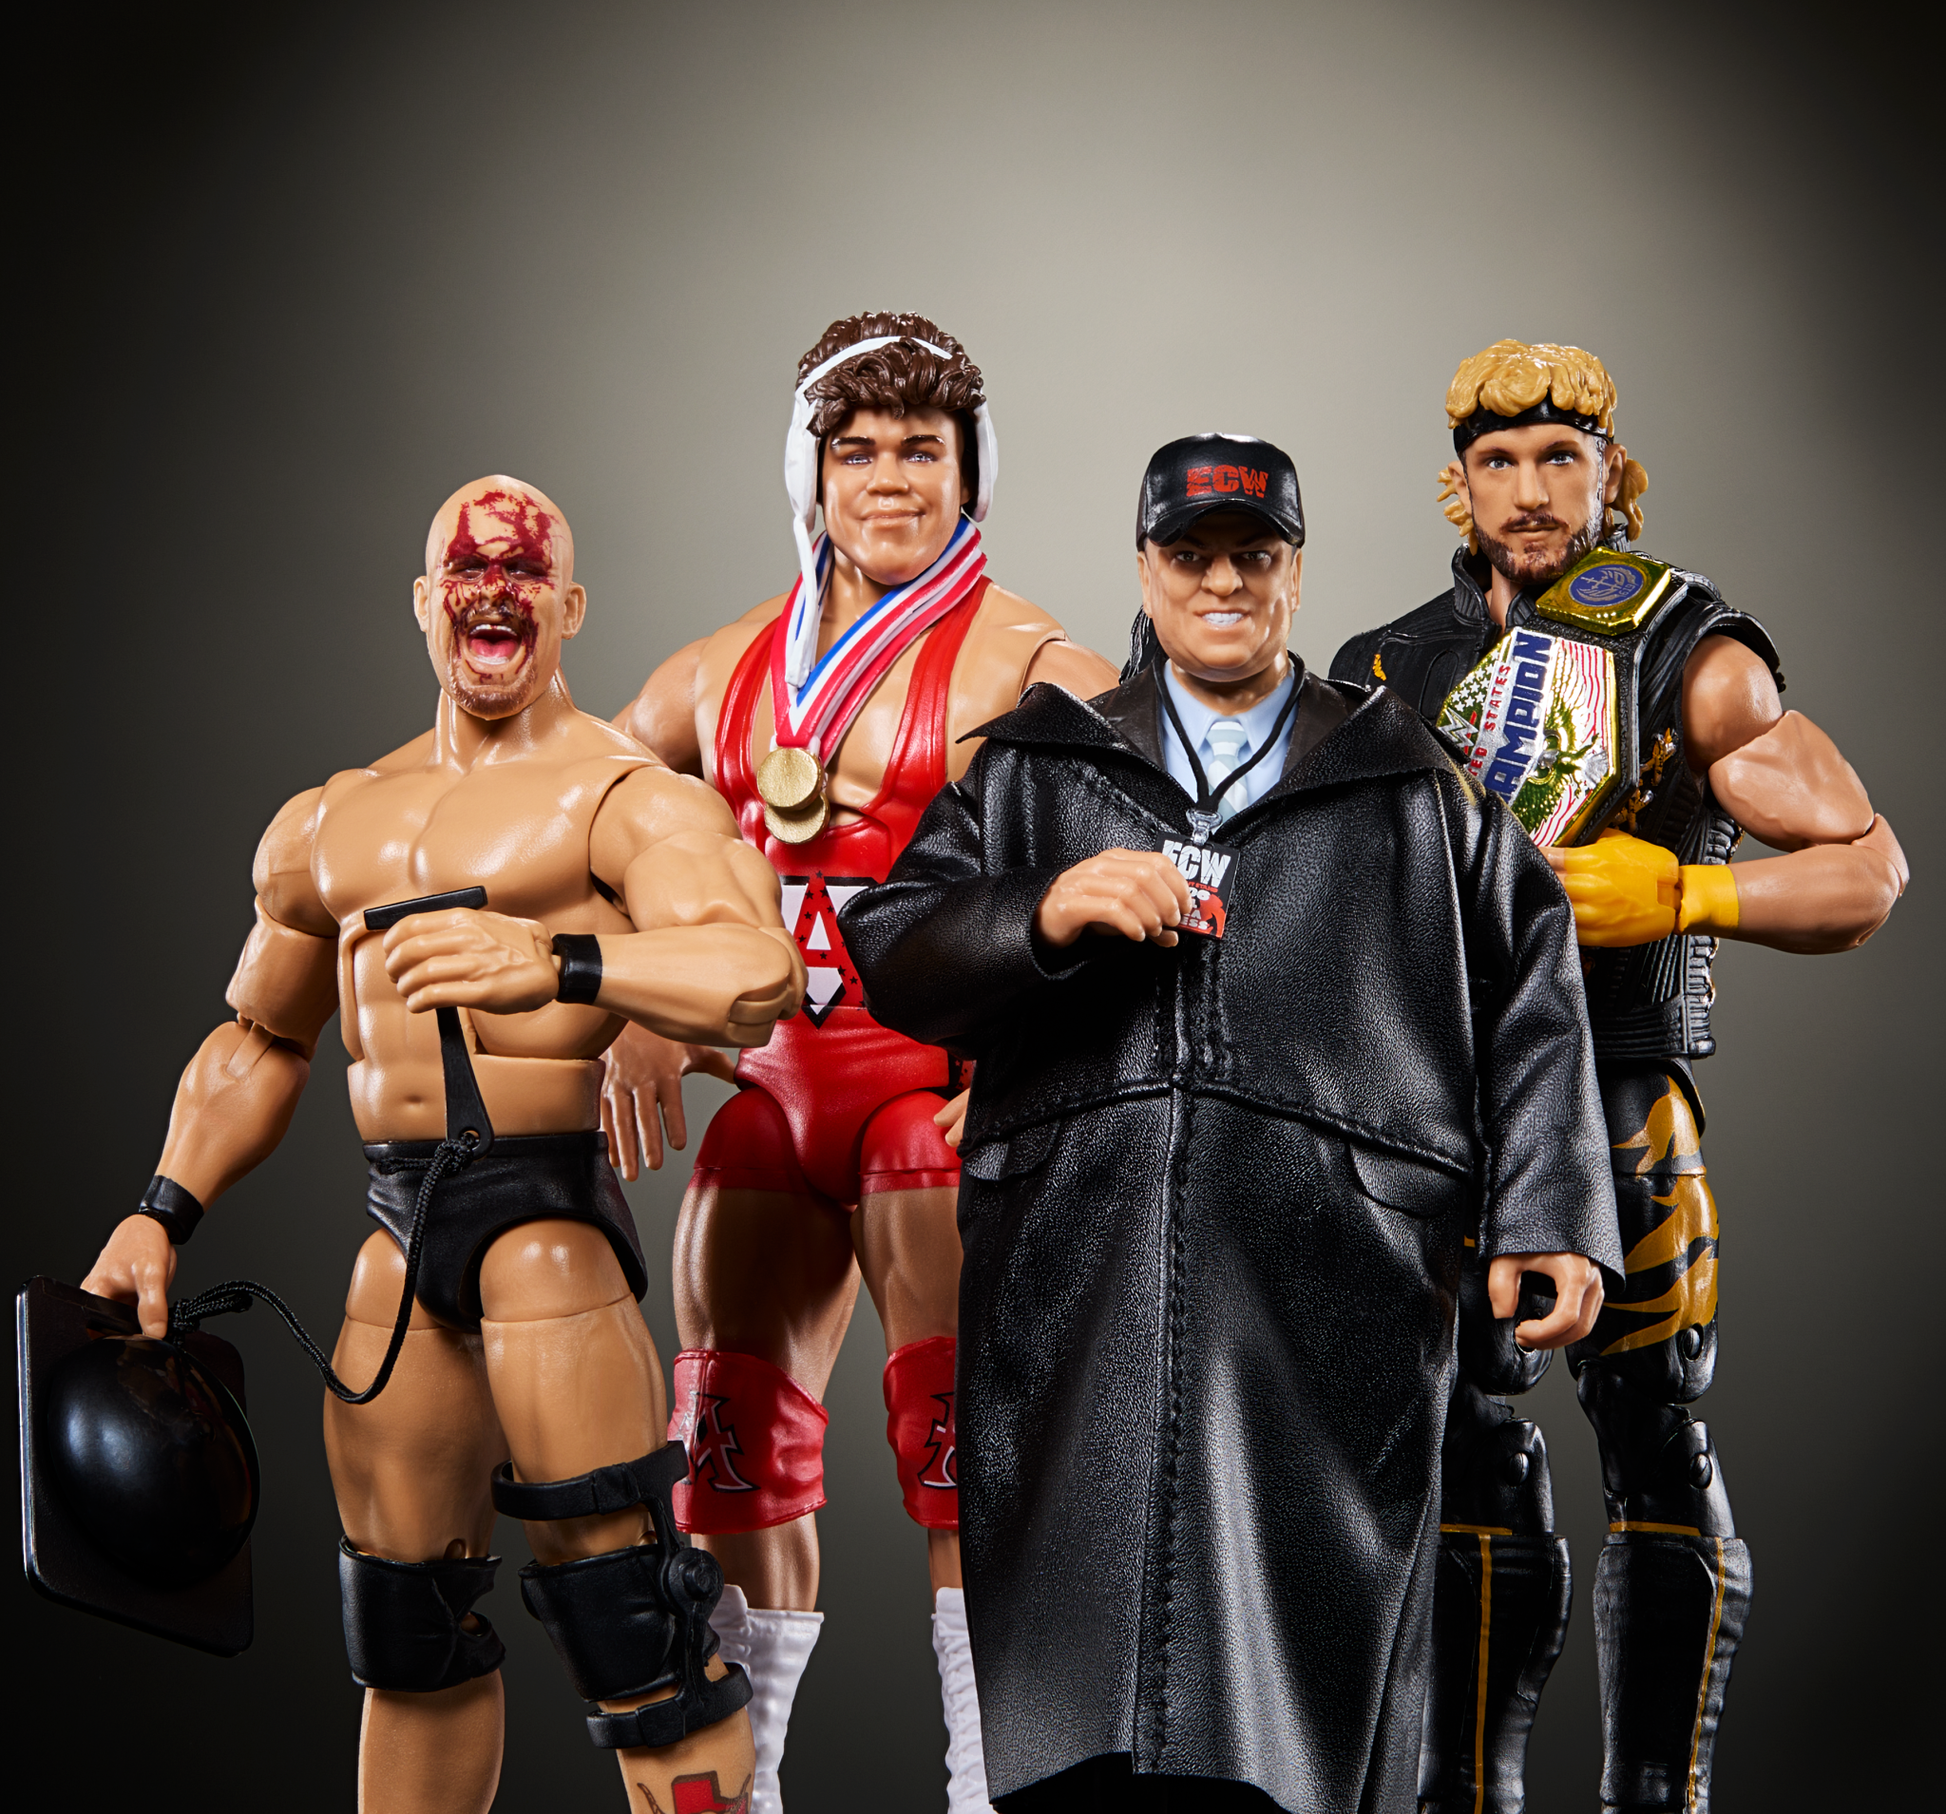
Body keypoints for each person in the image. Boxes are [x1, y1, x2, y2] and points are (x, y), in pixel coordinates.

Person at [840, 432, 1624, 1813]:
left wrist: (1550, 1211)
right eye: (1189, 555)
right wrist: (1046, 909)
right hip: (1078, 1254)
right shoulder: (1040, 768)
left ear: (1295, 573)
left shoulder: (1407, 777)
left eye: (1252, 556)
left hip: (1334, 1266)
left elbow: (1532, 981)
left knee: (1304, 1662)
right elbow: (894, 944)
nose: (1221, 584)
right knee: (1079, 1671)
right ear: (1144, 569)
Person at [83, 476, 805, 1814]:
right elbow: (261, 1037)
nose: (494, 590)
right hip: (396, 1249)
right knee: (407, 1639)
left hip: (547, 1236)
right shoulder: (329, 821)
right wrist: (160, 1210)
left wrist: (559, 960)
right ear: (424, 601)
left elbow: (757, 972)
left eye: (525, 573)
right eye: (468, 569)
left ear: (569, 607)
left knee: (635, 1633)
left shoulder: (620, 797)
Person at [1331, 339, 1909, 1814]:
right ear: (1457, 484)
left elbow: (1868, 867)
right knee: (1458, 1441)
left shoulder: (1683, 652)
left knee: (1653, 1432)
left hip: (1618, 1090)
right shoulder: (1381, 672)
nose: (1529, 491)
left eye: (1560, 458)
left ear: (1611, 473)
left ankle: (1660, 1798)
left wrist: (1689, 895)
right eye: (1499, 461)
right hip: (1441, 1108)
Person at [611, 313, 1118, 1811]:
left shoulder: (1032, 659)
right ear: (809, 473)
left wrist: (1036, 1056)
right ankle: (739, 1784)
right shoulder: (718, 669)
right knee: (723, 1454)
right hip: (767, 1098)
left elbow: (1151, 862)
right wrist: (639, 999)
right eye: (858, 450)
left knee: (959, 1449)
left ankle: (987, 1788)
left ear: (970, 472)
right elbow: (579, 822)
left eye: (921, 449)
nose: (889, 480)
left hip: (928, 1103)